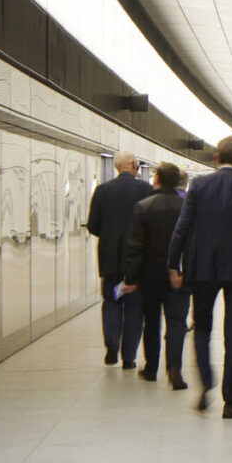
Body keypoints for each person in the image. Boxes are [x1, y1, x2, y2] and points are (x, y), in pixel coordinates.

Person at [168, 136, 232, 419]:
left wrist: (173, 263)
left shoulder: (198, 186)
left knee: (201, 327)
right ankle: (231, 401)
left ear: (215, 158)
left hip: (203, 269)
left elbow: (182, 228)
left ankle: (206, 383)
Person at [121, 163, 189, 385]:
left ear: (157, 179)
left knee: (151, 322)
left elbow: (135, 246)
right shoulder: (186, 206)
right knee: (177, 321)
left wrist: (130, 278)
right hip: (178, 275)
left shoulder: (143, 207)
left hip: (149, 276)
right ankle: (175, 370)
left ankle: (151, 369)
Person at [86, 151, 150, 368]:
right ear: (134, 165)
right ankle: (129, 357)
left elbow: (93, 225)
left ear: (116, 167)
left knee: (111, 302)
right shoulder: (146, 190)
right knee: (134, 308)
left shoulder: (102, 190)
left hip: (110, 259)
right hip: (137, 262)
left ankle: (111, 345)